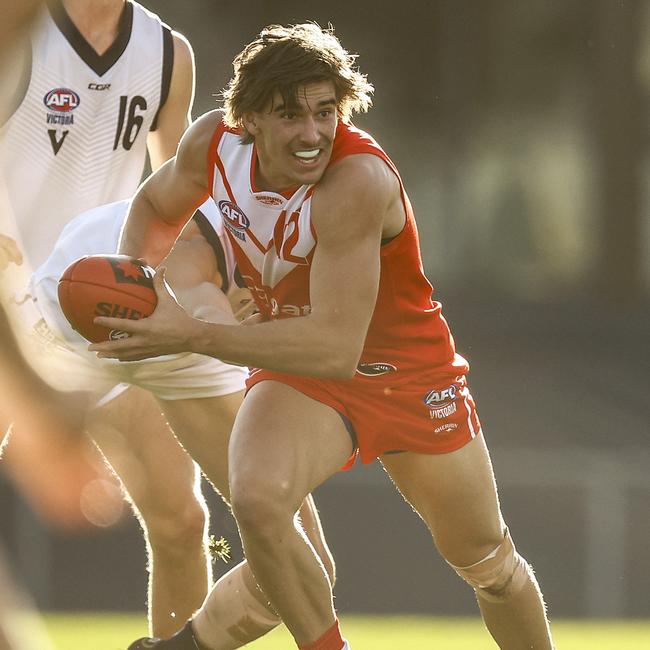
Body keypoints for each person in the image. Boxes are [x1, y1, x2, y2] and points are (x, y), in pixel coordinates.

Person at [91, 23, 556, 650]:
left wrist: (189, 330)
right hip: (299, 367)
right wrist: (139, 287)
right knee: (258, 501)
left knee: (490, 567)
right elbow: (152, 208)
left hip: (405, 374)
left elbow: (336, 348)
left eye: (324, 111)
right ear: (248, 117)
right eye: (289, 115)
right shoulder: (213, 144)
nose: (312, 134)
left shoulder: (358, 181)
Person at [26, 196, 336, 649]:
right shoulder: (221, 144)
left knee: (302, 556)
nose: (310, 133)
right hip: (79, 307)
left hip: (197, 332)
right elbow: (166, 191)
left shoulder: (351, 212)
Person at [0, 0, 208, 636]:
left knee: (182, 520)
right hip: (8, 313)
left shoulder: (169, 56)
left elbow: (181, 203)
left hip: (105, 317)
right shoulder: (18, 31)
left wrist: (208, 283)